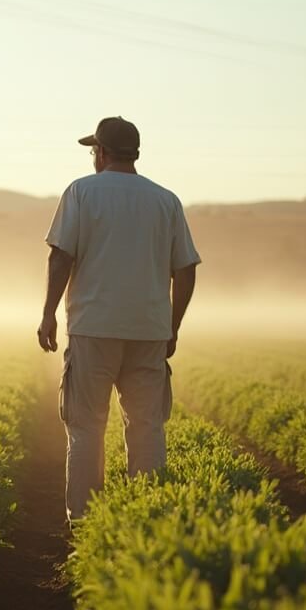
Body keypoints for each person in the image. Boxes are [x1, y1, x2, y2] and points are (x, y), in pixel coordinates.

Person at [37, 116, 200, 524]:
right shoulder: (166, 200)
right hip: (148, 330)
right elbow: (186, 269)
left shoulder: (81, 192)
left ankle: (85, 524)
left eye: (94, 150)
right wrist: (173, 325)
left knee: (86, 426)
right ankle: (148, 521)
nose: (93, 156)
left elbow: (61, 257)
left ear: (102, 153)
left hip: (93, 326)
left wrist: (48, 313)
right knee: (147, 427)